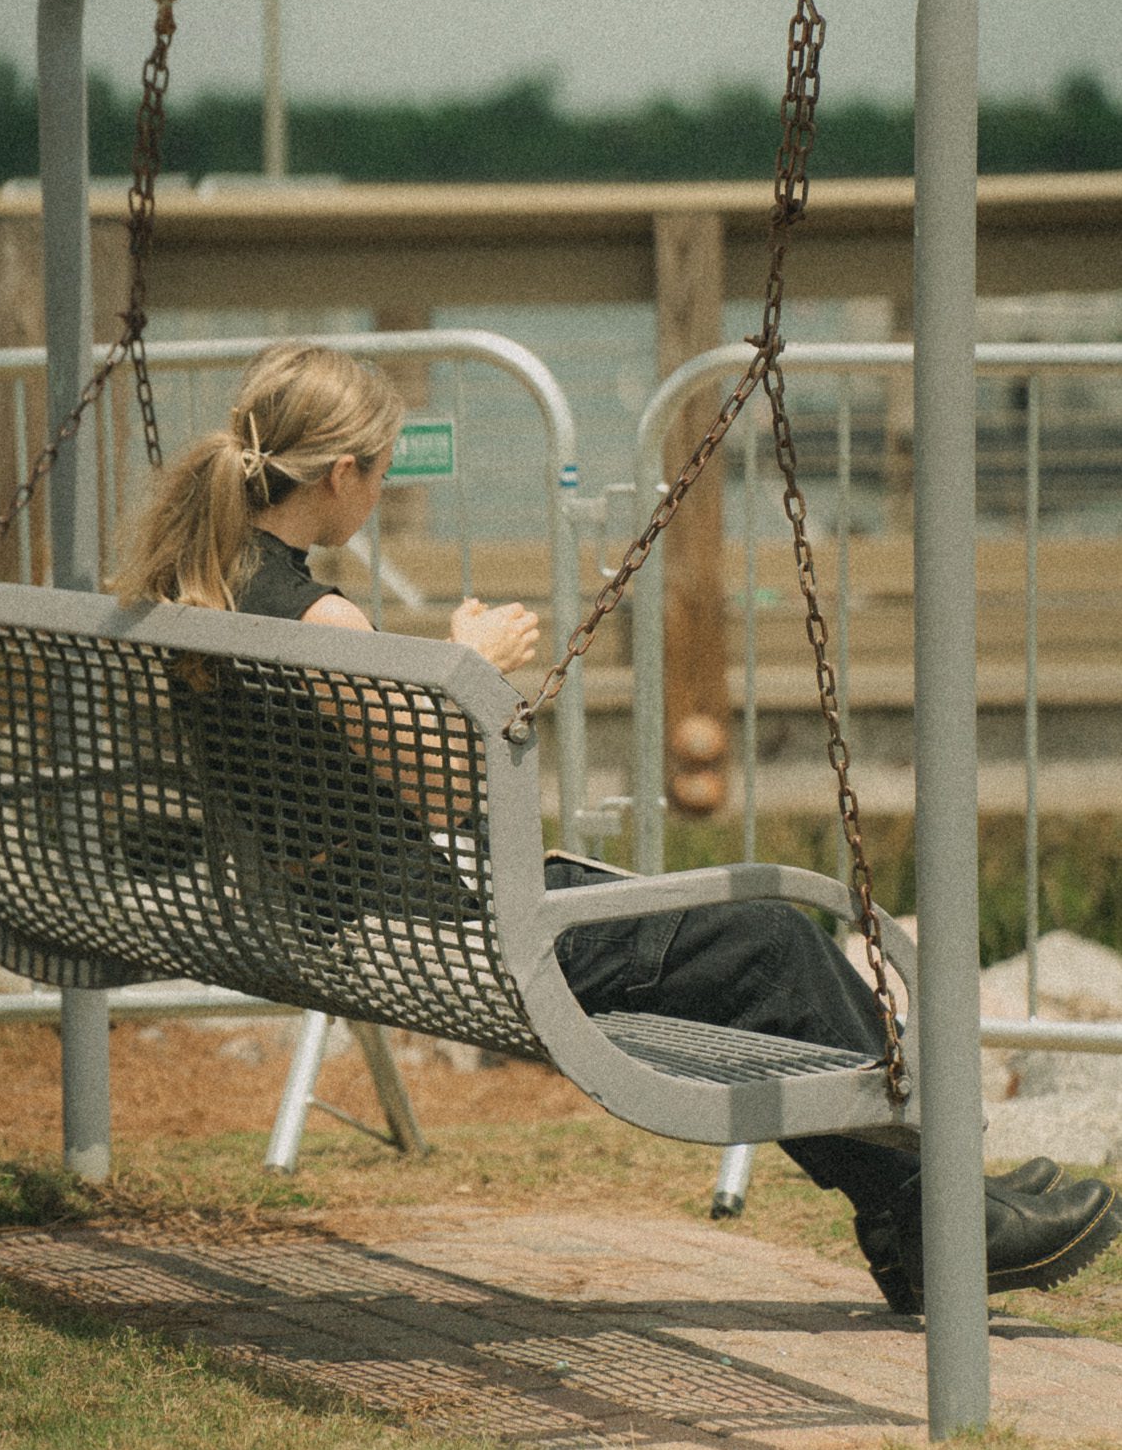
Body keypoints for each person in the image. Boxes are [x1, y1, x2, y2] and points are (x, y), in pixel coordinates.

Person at [116, 340, 1119, 1315]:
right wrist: (469, 664)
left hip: (363, 918)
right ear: (340, 473)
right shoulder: (319, 620)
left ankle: (931, 1200)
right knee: (772, 937)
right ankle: (941, 1214)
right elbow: (449, 788)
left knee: (760, 956)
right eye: (378, 470)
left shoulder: (204, 582)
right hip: (456, 930)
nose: (378, 490)